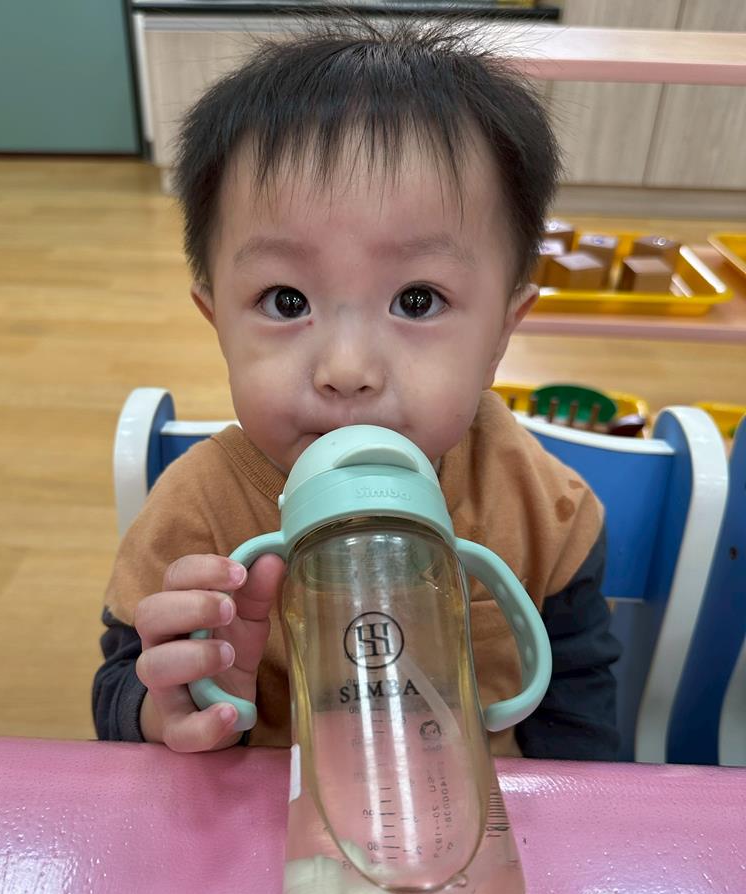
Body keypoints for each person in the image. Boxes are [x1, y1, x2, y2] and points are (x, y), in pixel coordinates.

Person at [93, 16, 621, 758]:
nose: (346, 368)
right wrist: (168, 707)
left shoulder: (543, 511)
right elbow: (118, 696)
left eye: (417, 300)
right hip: (259, 824)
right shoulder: (195, 521)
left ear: (503, 332)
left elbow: (583, 720)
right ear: (218, 324)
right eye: (286, 301)